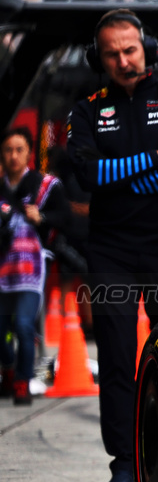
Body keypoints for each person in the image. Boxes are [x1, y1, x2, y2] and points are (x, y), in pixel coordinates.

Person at [67, 9, 158, 482]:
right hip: (110, 250)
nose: (123, 60)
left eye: (130, 49)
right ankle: (125, 463)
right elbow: (84, 176)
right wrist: (153, 160)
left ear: (146, 46)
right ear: (98, 58)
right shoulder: (85, 110)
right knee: (117, 352)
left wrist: (119, 176)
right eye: (112, 53)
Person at [0, 128, 70, 405]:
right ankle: (9, 367)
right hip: (2, 272)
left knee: (25, 325)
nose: (14, 156)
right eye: (8, 150)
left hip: (30, 272)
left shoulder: (45, 185)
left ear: (29, 152)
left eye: (19, 149)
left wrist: (41, 217)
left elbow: (65, 219)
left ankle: (21, 382)